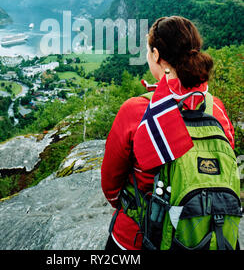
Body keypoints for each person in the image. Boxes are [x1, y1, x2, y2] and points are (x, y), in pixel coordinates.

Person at [101, 16, 235, 251]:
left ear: (156, 55)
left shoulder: (137, 111)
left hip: (138, 237)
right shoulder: (216, 109)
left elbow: (110, 186)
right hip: (205, 234)